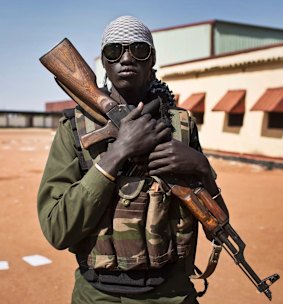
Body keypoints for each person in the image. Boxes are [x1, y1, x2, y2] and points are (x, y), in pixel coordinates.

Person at [37, 16, 228, 304]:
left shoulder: (180, 126)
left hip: (172, 294)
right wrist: (118, 153)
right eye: (114, 51)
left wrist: (202, 169)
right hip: (98, 295)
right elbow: (57, 230)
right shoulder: (74, 129)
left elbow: (218, 225)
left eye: (139, 49)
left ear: (152, 60)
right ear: (103, 61)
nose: (126, 58)